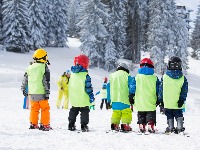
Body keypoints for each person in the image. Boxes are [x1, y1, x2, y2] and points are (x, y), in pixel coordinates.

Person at [21, 48, 52, 131]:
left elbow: (25, 79)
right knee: (45, 108)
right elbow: (46, 81)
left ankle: (33, 124)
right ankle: (45, 125)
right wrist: (47, 92)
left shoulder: (30, 67)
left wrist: (23, 89)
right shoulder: (44, 67)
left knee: (34, 109)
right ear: (43, 58)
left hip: (32, 93)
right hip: (41, 93)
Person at [158, 56, 188, 134]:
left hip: (167, 102)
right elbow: (184, 90)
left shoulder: (164, 77)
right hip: (178, 102)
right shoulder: (183, 78)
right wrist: (182, 99)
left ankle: (171, 127)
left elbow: (161, 90)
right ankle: (180, 127)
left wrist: (160, 100)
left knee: (169, 114)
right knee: (178, 113)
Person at [68, 54, 95, 132]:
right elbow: (88, 87)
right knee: (84, 111)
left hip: (74, 97)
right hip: (83, 98)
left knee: (74, 110)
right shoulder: (86, 75)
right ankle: (84, 125)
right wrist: (91, 95)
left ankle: (71, 124)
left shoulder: (72, 74)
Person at [132, 58, 160, 133]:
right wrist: (158, 99)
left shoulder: (136, 77)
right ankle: (150, 124)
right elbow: (158, 90)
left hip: (139, 100)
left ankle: (141, 125)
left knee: (141, 113)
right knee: (151, 112)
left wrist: (131, 96)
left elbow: (132, 88)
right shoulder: (155, 78)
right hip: (151, 100)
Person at [107, 63, 134, 132]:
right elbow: (131, 87)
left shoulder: (112, 76)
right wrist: (132, 96)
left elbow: (108, 88)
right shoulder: (127, 76)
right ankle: (125, 125)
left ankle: (114, 124)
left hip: (114, 99)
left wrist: (108, 99)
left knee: (116, 112)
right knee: (126, 112)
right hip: (125, 99)